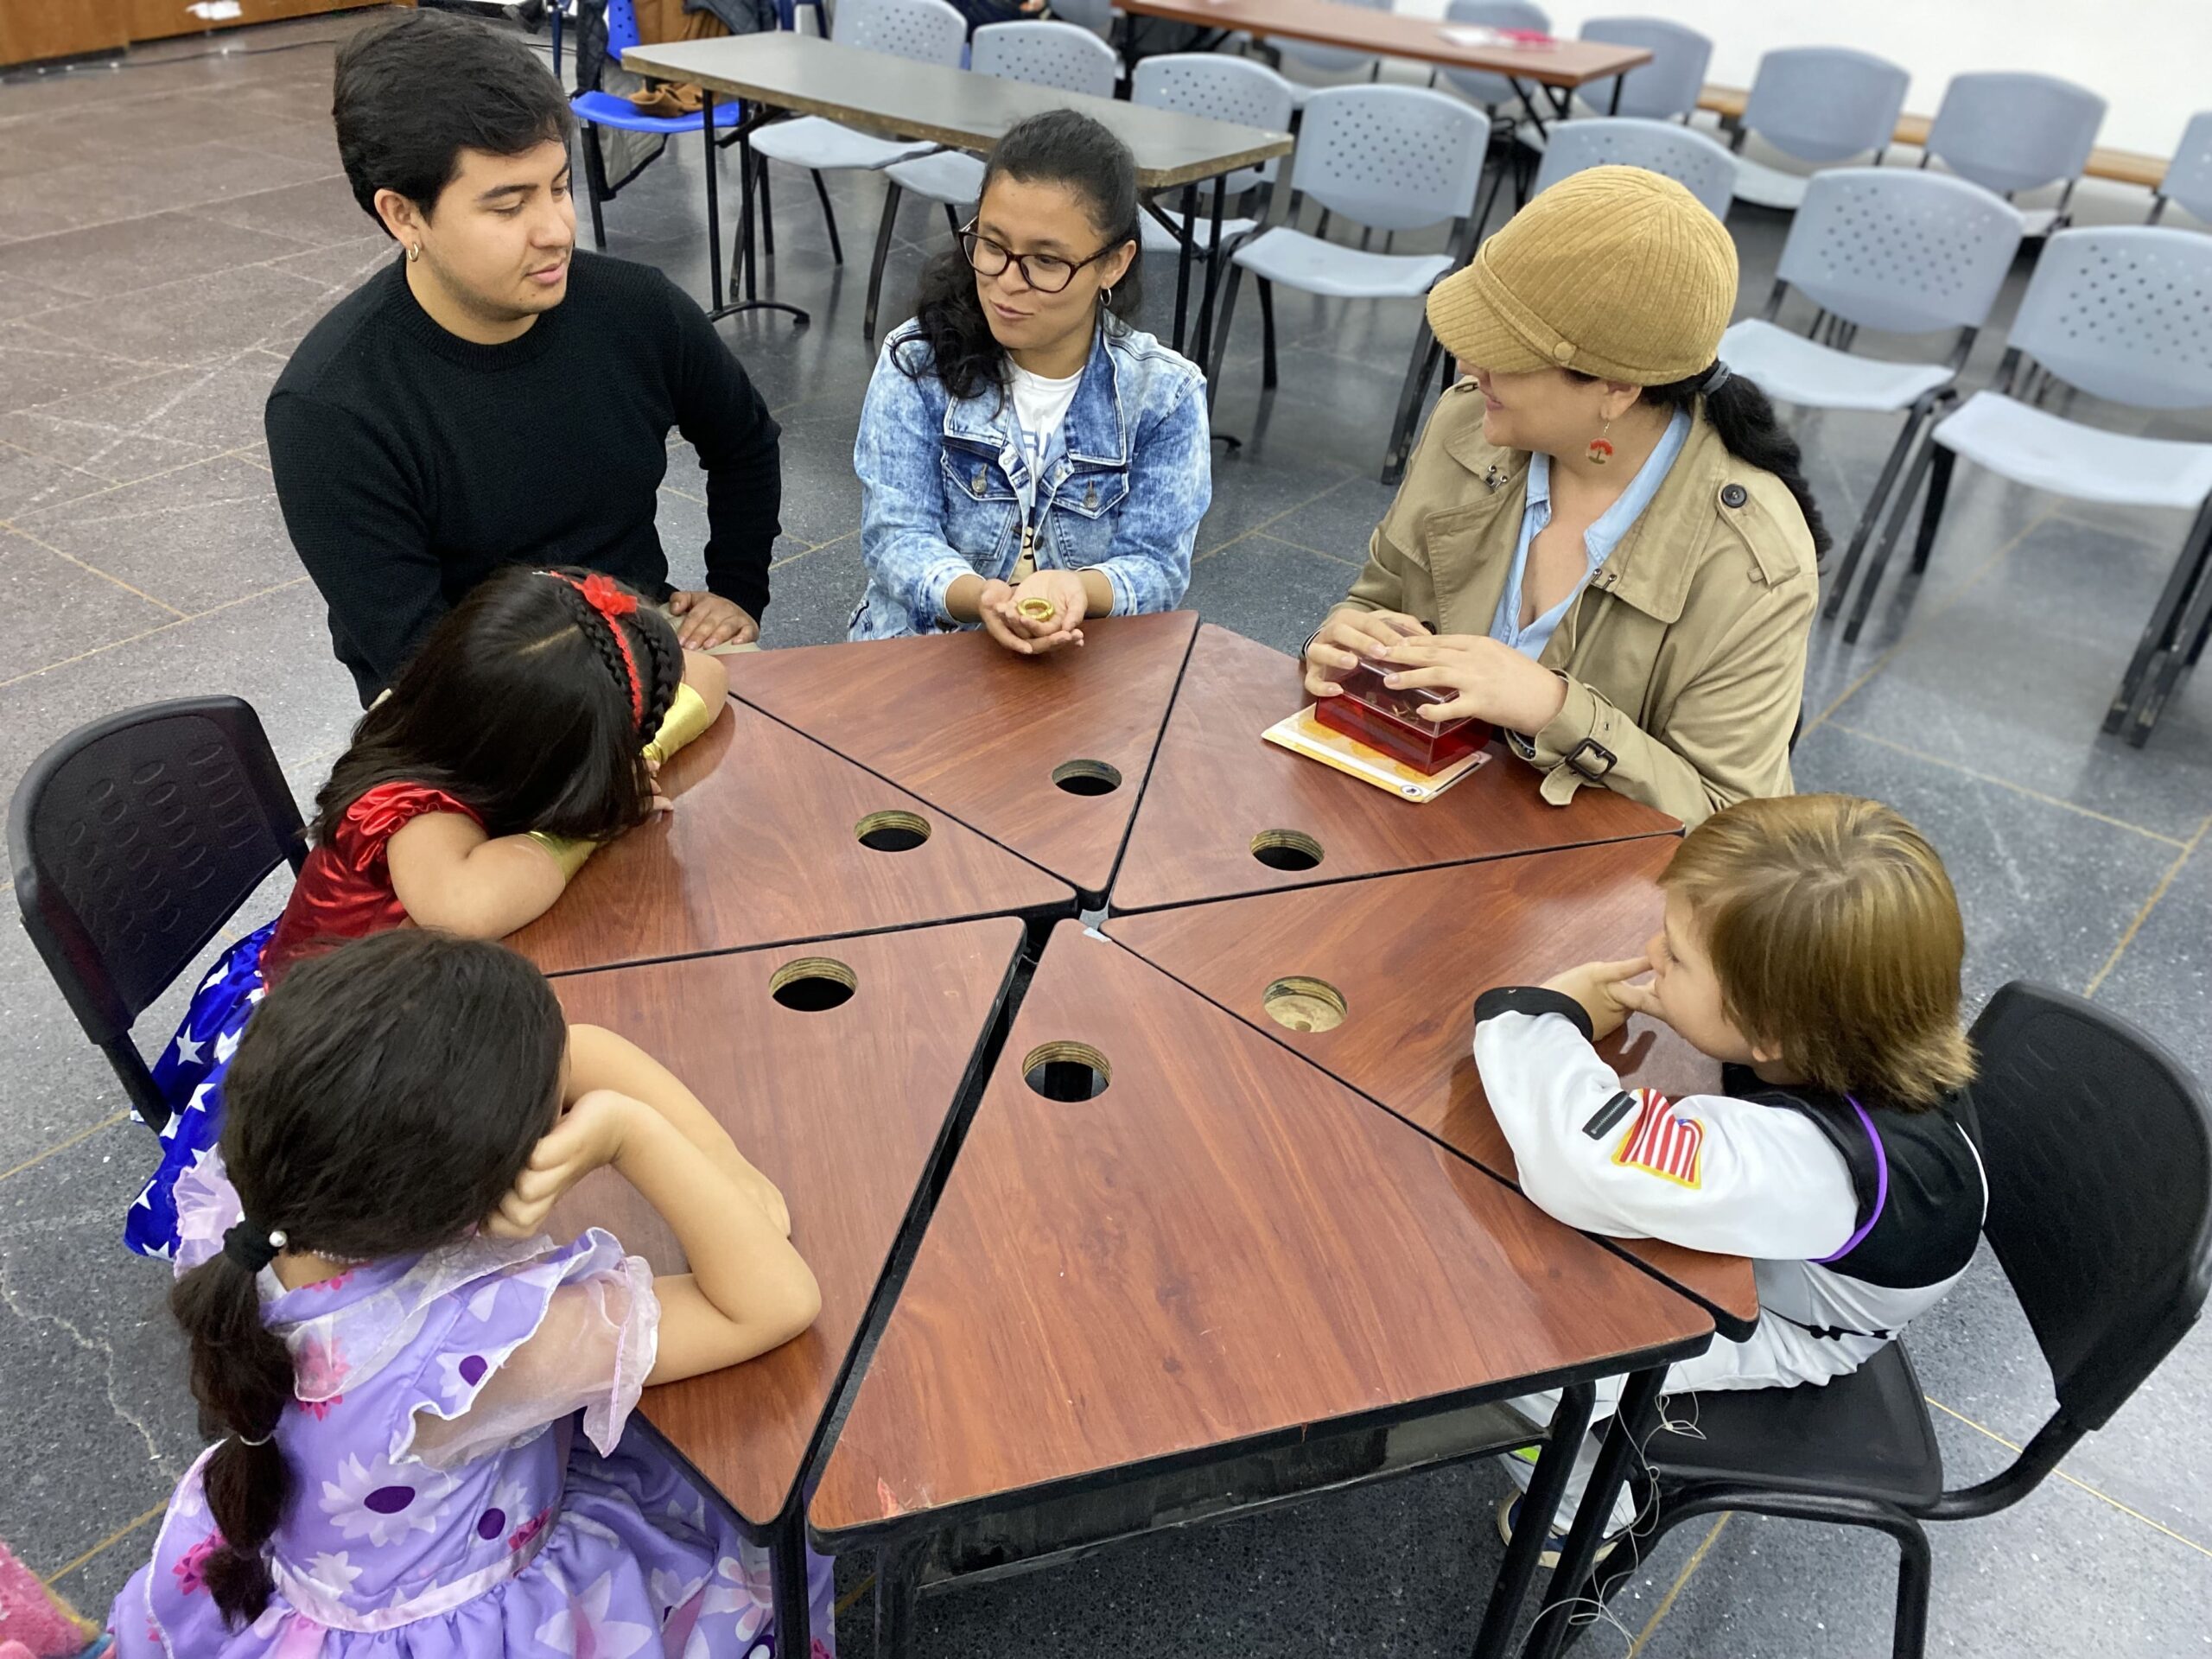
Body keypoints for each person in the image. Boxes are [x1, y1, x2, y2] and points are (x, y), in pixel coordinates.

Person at [107, 929, 830, 1657]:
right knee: (767, 1516)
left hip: (311, 1580)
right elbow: (772, 1304)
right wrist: (628, 1133)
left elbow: (574, 1049)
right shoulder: (476, 1348)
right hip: (486, 1622)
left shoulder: (255, 1208)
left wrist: (722, 1163)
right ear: (479, 1197)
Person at [128, 567, 728, 1265]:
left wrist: (635, 754)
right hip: (340, 1049)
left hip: (406, 984)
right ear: (538, 759)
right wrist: (596, 817)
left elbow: (709, 676)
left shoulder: (458, 723)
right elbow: (468, 907)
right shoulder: (415, 808)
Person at [1472, 794, 1985, 1554]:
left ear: (1768, 1030)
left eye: (1677, 957)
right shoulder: (1867, 1029)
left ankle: (1581, 1509)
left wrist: (1544, 1016)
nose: (1652, 952)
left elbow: (1583, 1163)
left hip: (1793, 1327)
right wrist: (1695, 998)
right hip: (1798, 1256)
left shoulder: (1814, 1165)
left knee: (1532, 1369)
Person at [267, 9, 782, 704]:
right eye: (508, 207)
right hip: (459, 694)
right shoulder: (331, 408)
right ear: (403, 215)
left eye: (560, 187)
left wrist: (737, 591)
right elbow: (416, 658)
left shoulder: (637, 309)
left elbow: (746, 443)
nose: (556, 230)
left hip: (638, 635)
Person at [1302, 167, 1827, 826]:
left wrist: (1553, 708)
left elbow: (1729, 822)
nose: (1468, 365)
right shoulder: (1469, 426)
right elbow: (1378, 597)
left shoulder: (1754, 566)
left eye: (1504, 352)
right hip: (1415, 818)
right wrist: (1343, 639)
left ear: (1617, 389)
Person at [850, 110, 1211, 654]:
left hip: (1079, 663)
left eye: (1045, 261)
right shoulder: (918, 359)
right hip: (923, 652)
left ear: (1114, 264)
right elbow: (895, 536)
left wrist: (1076, 589)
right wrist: (983, 598)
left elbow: (1157, 566)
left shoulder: (1164, 396)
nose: (1007, 283)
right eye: (993, 246)